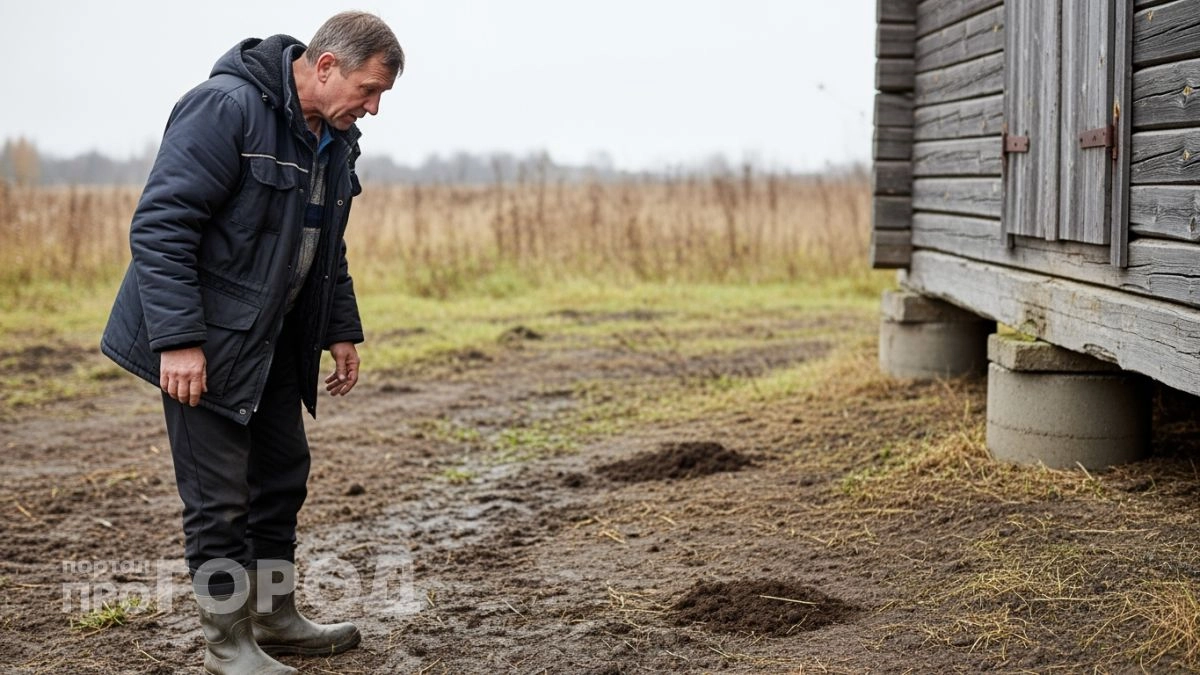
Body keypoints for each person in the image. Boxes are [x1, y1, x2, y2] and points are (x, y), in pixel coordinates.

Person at [101, 12, 403, 674]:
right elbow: (161, 225)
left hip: (271, 343)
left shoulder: (334, 138)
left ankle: (275, 616)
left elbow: (327, 244)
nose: (375, 108)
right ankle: (227, 644)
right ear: (326, 67)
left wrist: (340, 329)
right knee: (219, 497)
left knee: (282, 475)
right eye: (370, 89)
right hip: (202, 345)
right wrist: (178, 339)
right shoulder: (226, 108)